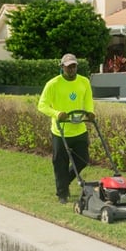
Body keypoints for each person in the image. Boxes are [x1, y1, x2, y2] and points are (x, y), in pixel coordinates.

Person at [37, 53, 95, 203]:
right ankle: (62, 193)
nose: (71, 69)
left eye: (74, 66)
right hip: (60, 130)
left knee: (83, 160)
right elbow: (42, 105)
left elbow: (88, 101)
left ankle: (64, 182)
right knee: (60, 162)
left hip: (79, 129)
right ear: (62, 67)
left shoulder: (84, 82)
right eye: (68, 67)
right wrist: (56, 114)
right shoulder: (53, 84)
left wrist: (90, 113)